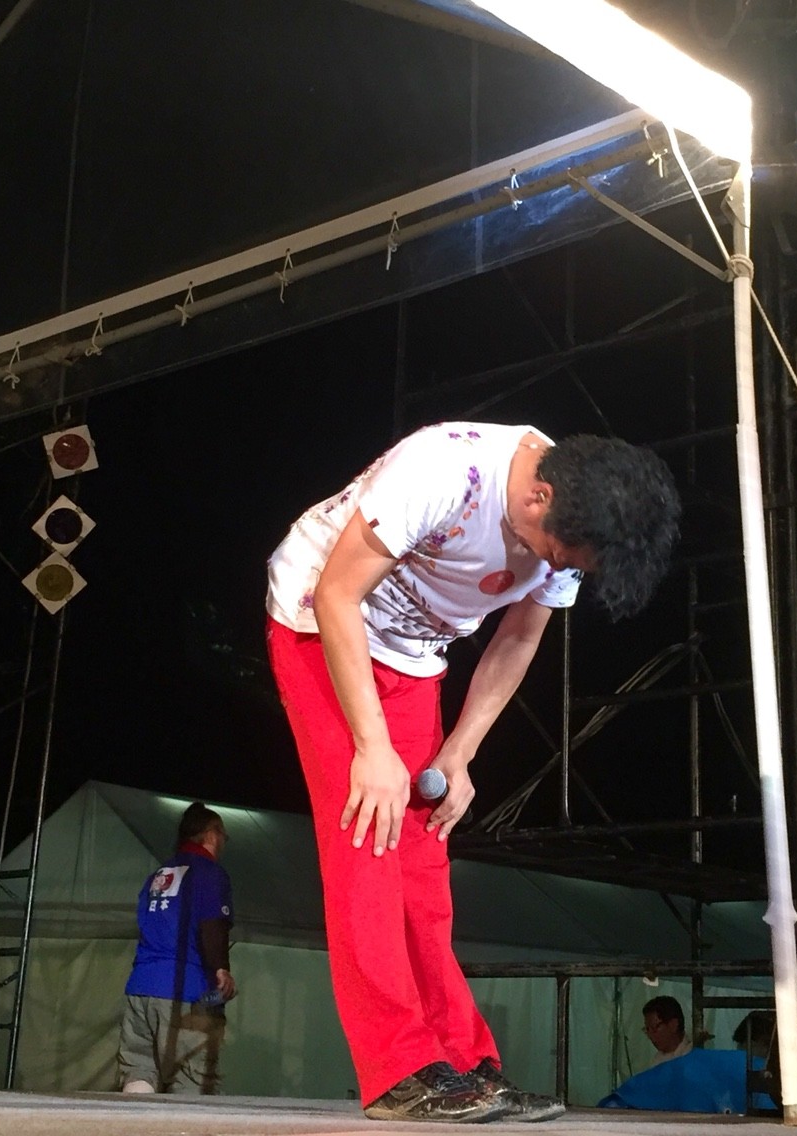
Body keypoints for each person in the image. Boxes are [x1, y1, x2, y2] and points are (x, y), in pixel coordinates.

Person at [266, 421, 680, 1122]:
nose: (555, 567)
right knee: (369, 841)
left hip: (413, 655)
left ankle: (462, 1063)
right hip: (321, 622)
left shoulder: (576, 516)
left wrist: (459, 752)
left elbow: (518, 636)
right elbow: (337, 595)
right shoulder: (441, 473)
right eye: (557, 553)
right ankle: (400, 1069)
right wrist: (371, 748)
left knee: (424, 860)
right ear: (539, 498)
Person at [116, 801, 236, 1094]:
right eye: (223, 835)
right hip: (187, 992)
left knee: (139, 1070)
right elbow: (212, 926)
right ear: (211, 834)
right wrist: (221, 970)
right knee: (192, 1079)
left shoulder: (157, 875)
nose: (224, 842)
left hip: (140, 989)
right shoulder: (209, 873)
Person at [642, 995, 693, 1066]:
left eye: (654, 1028)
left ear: (673, 1024)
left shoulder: (693, 1053)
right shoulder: (656, 1061)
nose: (650, 1035)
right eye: (647, 1030)